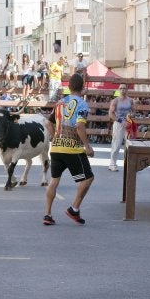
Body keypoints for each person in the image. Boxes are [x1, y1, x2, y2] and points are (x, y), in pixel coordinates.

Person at [44, 73, 94, 226]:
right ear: (83, 87)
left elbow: (48, 123)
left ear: (69, 86)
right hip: (72, 149)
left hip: (56, 148)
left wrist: (55, 137)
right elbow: (79, 125)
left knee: (54, 181)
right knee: (88, 178)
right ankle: (74, 208)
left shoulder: (60, 102)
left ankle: (47, 214)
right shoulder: (82, 104)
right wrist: (87, 146)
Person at [108, 84, 133, 171]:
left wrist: (130, 116)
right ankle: (112, 164)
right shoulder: (115, 101)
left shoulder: (130, 100)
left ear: (127, 90)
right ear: (118, 90)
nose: (123, 90)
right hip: (119, 124)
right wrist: (121, 121)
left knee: (129, 145)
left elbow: (133, 111)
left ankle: (129, 165)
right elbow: (111, 114)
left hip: (128, 124)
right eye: (121, 88)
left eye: (124, 88)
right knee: (116, 144)